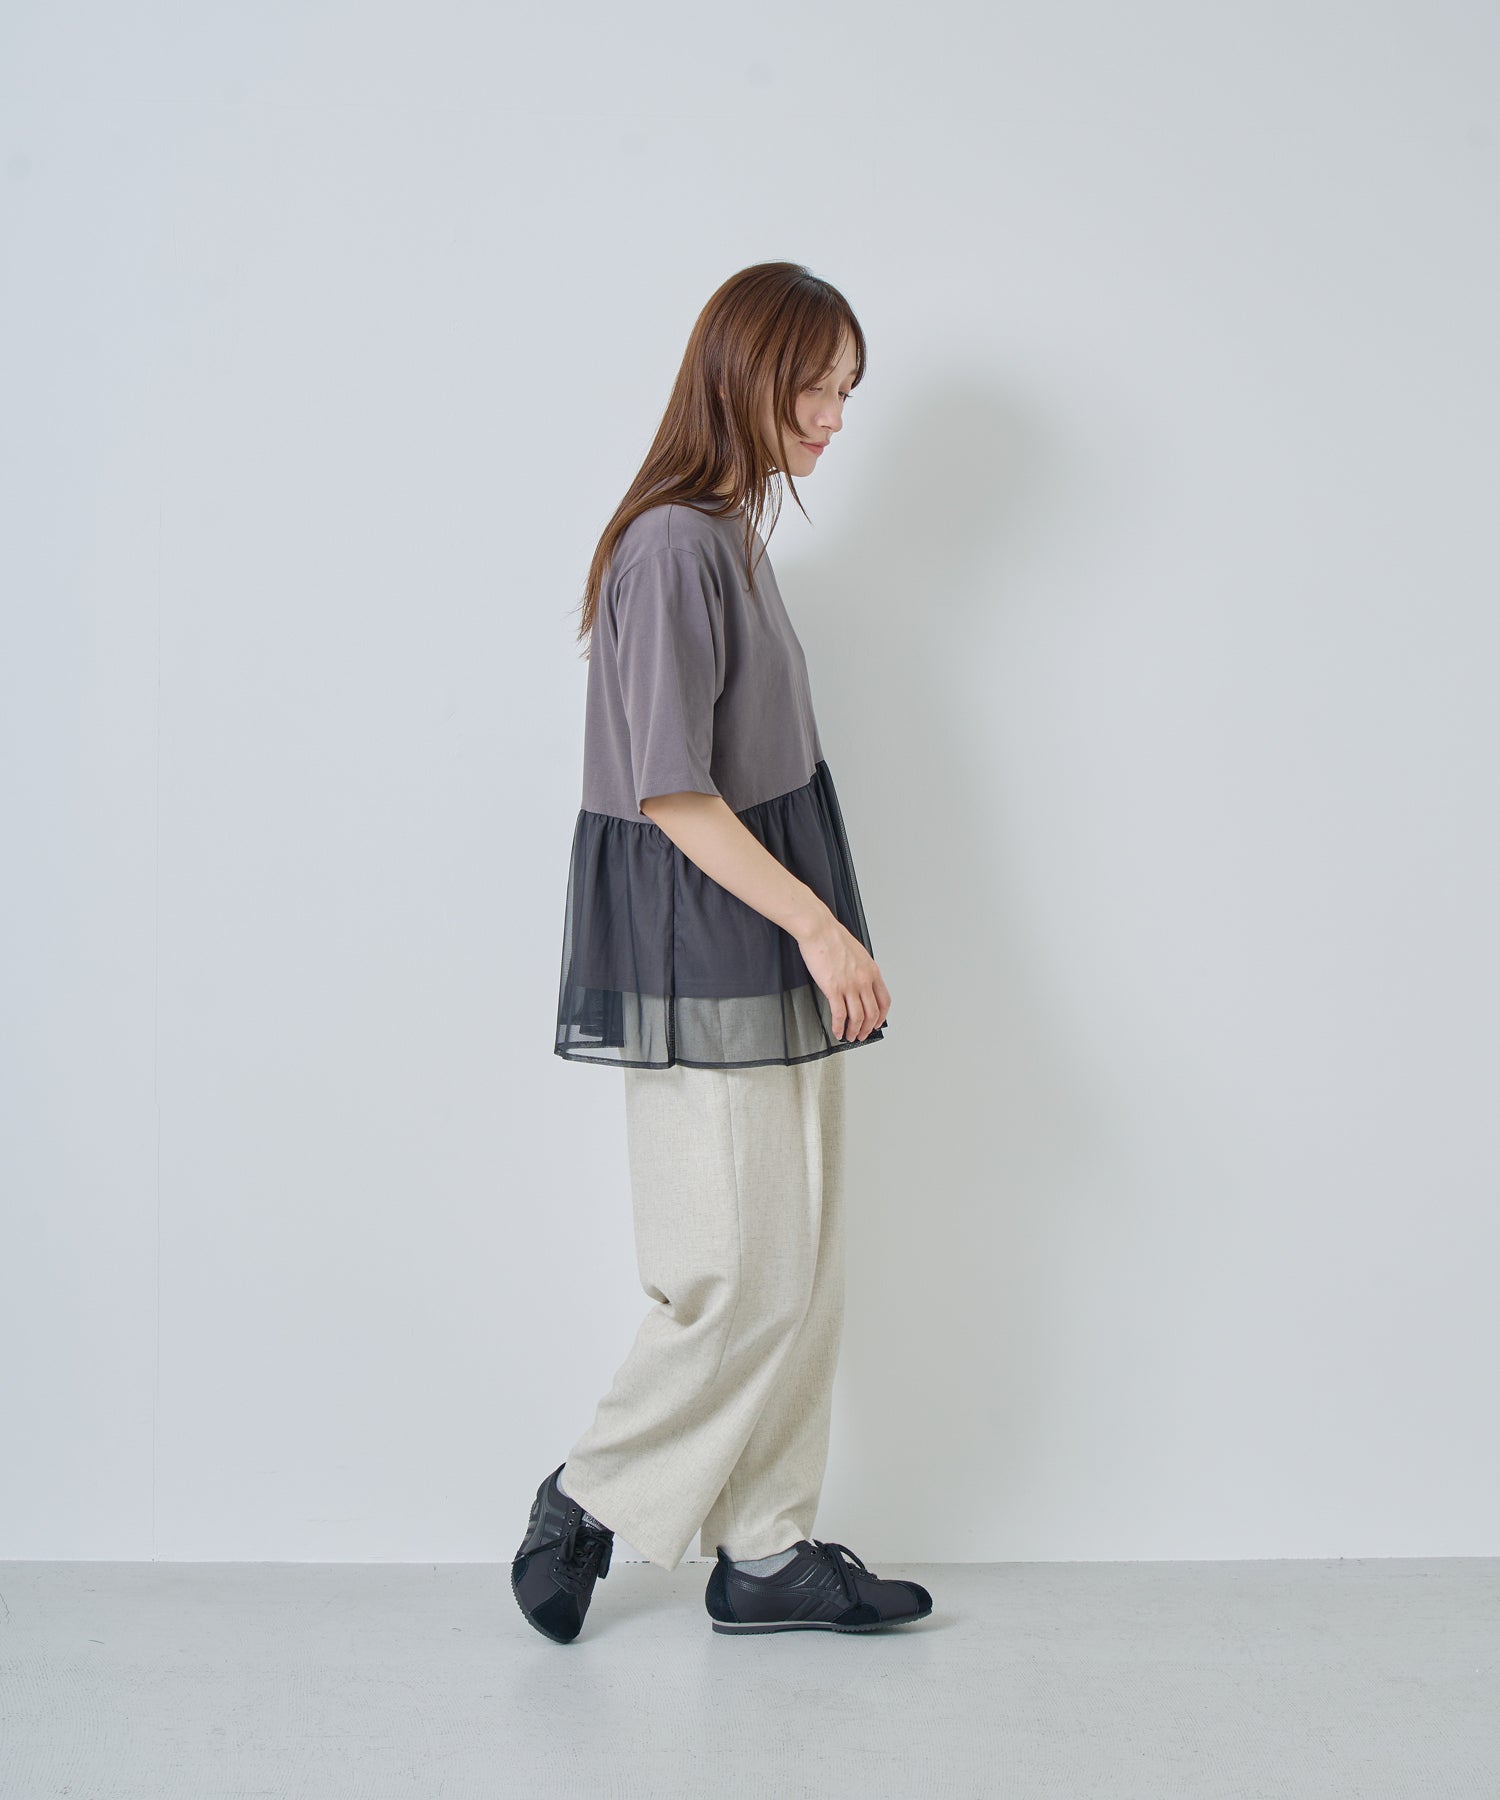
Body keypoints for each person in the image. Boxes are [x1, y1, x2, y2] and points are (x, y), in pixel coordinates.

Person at [511, 262, 932, 1642]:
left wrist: (818, 931)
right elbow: (672, 793)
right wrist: (818, 925)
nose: (834, 418)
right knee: (734, 1273)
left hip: (770, 940)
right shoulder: (672, 547)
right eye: (814, 388)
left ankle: (767, 1549)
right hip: (711, 949)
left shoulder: (732, 539)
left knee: (800, 1265)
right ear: (743, 375)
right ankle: (591, 1492)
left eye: (847, 392)